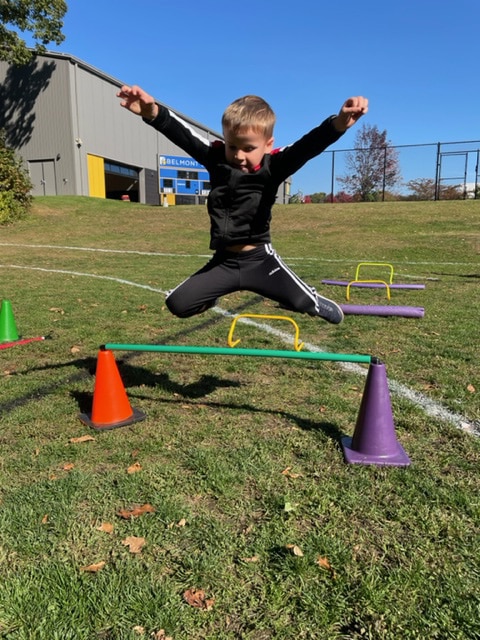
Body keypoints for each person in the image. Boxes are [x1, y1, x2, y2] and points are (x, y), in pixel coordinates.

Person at [117, 85, 368, 324]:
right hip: (223, 263)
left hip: (260, 261)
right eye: (232, 146)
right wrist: (152, 112)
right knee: (177, 304)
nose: (238, 155)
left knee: (302, 302)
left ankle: (312, 300)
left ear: (268, 145)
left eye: (248, 148)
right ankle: (211, 296)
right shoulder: (216, 159)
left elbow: (308, 146)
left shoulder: (275, 166)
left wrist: (338, 124)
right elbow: (183, 135)